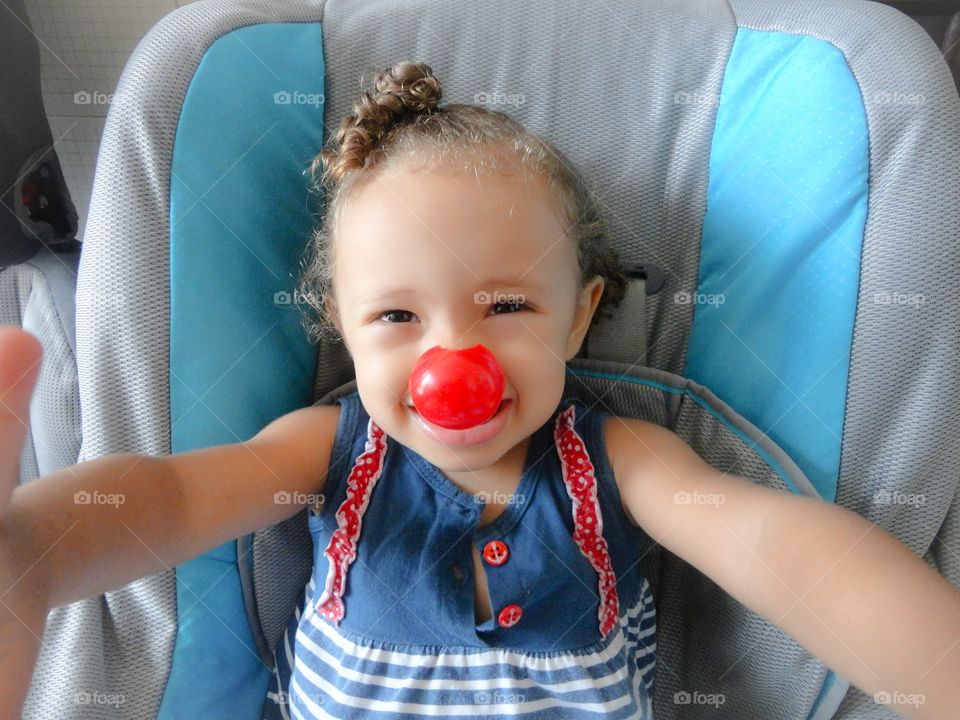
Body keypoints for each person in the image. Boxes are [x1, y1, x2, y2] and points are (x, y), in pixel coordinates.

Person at [1, 61, 958, 720]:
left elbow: (769, 543)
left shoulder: (615, 459)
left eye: (505, 304)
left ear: (579, 319)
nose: (455, 357)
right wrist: (34, 557)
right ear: (340, 323)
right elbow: (169, 499)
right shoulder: (325, 452)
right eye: (397, 319)